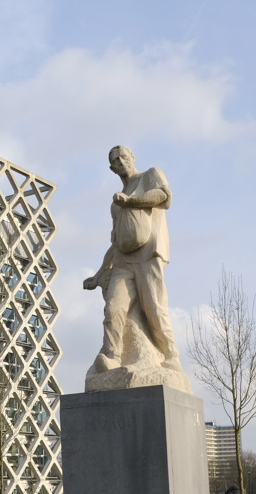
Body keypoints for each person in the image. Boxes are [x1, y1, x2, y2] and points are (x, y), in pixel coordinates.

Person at [83, 146, 182, 373]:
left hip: (148, 255)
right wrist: (98, 275)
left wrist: (130, 202)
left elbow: (164, 197)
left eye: (124, 157)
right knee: (113, 308)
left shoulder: (150, 175)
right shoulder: (115, 205)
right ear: (112, 169)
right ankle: (112, 356)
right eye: (115, 161)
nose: (121, 162)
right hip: (123, 261)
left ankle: (170, 354)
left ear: (133, 158)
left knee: (154, 307)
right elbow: (115, 242)